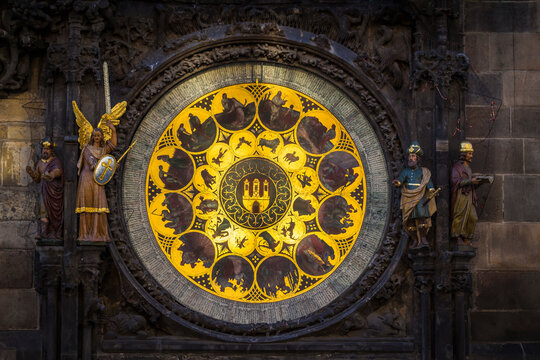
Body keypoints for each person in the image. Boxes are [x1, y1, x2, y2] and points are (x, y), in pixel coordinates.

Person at [75, 120, 116, 242]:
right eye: (94, 135)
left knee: (99, 205)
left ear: (102, 137)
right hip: (87, 178)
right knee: (87, 204)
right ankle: (85, 234)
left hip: (98, 180)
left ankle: (99, 233)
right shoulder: (87, 149)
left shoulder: (103, 150)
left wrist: (113, 130)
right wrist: (111, 165)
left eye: (98, 135)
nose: (96, 137)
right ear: (91, 137)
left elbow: (113, 145)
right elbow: (93, 164)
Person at [392, 142, 437, 249]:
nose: (410, 158)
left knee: (421, 217)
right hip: (408, 196)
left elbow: (427, 181)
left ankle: (423, 238)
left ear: (418, 159)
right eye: (410, 156)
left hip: (420, 196)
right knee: (409, 220)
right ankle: (415, 239)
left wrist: (431, 189)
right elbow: (401, 180)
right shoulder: (406, 171)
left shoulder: (423, 171)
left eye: (413, 156)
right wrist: (397, 183)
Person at [26, 137, 64, 239]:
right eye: (44, 149)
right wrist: (32, 174)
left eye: (47, 149)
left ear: (51, 151)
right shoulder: (39, 163)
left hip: (54, 191)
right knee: (43, 211)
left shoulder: (55, 161)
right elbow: (37, 179)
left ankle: (55, 232)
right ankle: (43, 233)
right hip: (44, 190)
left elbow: (58, 171)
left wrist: (51, 174)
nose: (45, 151)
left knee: (55, 213)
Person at [451, 141, 481, 246]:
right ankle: (457, 236)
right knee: (459, 215)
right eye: (469, 153)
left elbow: (469, 181)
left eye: (471, 153)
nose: (471, 156)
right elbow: (455, 181)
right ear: (464, 154)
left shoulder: (468, 167)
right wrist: (470, 181)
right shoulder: (457, 167)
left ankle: (467, 237)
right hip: (461, 195)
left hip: (470, 195)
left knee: (473, 217)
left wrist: (477, 182)